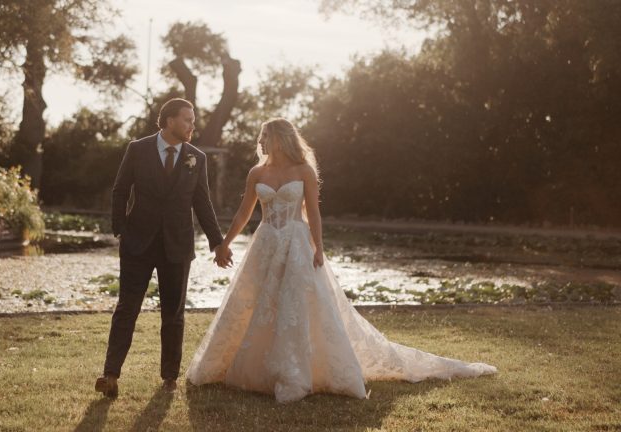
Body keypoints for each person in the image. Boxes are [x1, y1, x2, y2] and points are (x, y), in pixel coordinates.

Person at [185, 118, 497, 403]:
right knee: (260, 303)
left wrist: (318, 247)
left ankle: (294, 370)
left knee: (295, 304)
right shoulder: (257, 172)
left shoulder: (304, 170)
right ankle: (262, 367)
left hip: (296, 243)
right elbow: (244, 212)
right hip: (265, 243)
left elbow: (313, 212)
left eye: (265, 136)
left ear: (279, 139)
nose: (260, 142)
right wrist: (224, 244)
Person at [95, 98, 233, 398]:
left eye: (193, 120)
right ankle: (110, 374)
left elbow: (203, 203)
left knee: (173, 313)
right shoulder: (138, 149)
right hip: (137, 243)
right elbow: (121, 190)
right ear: (169, 121)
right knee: (127, 308)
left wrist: (217, 243)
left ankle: (169, 377)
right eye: (187, 120)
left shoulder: (196, 157)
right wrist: (121, 229)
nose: (192, 125)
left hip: (177, 246)